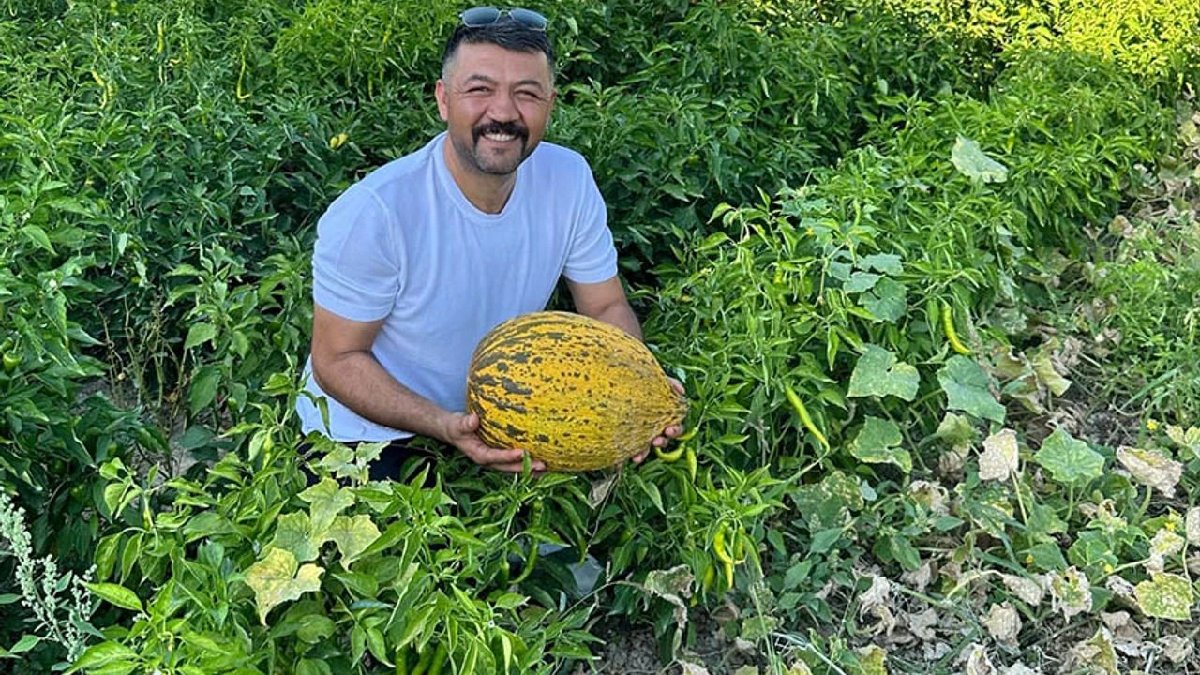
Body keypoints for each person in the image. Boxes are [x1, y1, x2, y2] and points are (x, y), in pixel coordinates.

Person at [295, 7, 683, 477]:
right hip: (368, 433)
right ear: (443, 100)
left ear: (551, 104)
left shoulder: (569, 180)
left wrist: (634, 392)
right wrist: (445, 425)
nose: (503, 113)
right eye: (479, 90)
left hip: (507, 420)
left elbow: (604, 308)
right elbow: (335, 360)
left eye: (527, 94)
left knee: (560, 546)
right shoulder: (375, 213)